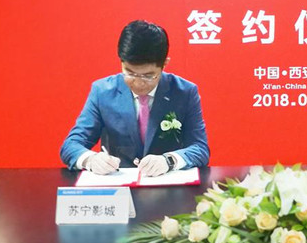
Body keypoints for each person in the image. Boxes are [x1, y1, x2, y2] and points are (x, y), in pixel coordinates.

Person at [60, 20, 210, 176]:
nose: (138, 83)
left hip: (166, 182)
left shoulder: (184, 92)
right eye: (130, 73)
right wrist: (90, 160)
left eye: (148, 76)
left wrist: (169, 161)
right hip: (118, 183)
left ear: (164, 64)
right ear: (121, 62)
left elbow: (200, 148)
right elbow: (71, 145)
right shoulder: (102, 91)